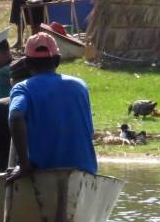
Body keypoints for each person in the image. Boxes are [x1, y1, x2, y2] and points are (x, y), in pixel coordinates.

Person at [7, 32, 98, 181]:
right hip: (84, 169)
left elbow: (16, 116)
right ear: (57, 60)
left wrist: (24, 165)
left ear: (28, 63)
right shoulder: (80, 86)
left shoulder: (22, 88)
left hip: (44, 170)